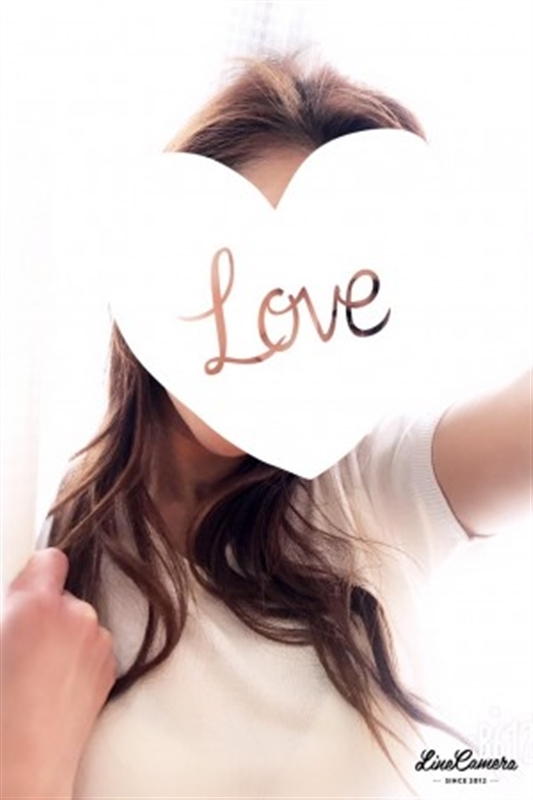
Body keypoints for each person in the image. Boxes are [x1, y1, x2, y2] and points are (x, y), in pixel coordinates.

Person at [1, 55, 530, 799]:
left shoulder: (375, 484)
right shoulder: (41, 537)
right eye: (244, 274)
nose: (276, 331)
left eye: (327, 294)